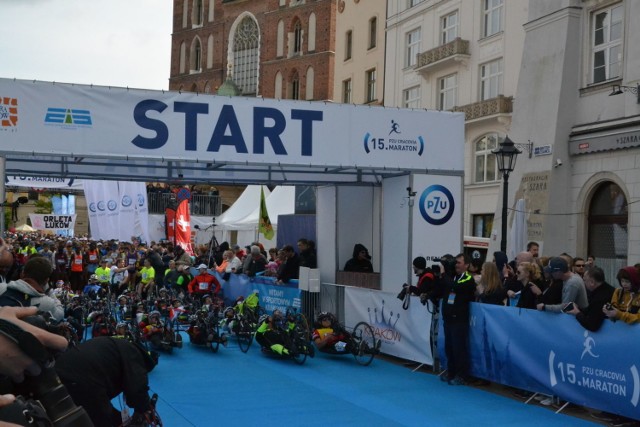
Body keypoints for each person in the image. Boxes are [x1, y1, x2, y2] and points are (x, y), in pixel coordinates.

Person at [54, 336, 158, 427]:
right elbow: (137, 390)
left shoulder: (118, 346)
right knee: (102, 420)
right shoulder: (135, 356)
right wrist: (145, 408)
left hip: (59, 373)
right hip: (83, 379)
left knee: (104, 415)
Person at [433, 253, 476, 385]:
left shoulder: (468, 279)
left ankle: (462, 375)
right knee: (449, 348)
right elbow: (441, 288)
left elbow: (454, 287)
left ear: (466, 265)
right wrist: (440, 276)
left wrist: (444, 274)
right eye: (455, 262)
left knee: (459, 349)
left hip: (459, 319)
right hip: (448, 318)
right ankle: (451, 372)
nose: (456, 265)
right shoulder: (453, 277)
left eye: (458, 262)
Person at [0, 257, 64, 321]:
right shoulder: (47, 303)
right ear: (46, 281)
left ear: (22, 274)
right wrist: (50, 292)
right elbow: (60, 314)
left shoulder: (1, 287)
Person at [565, 266, 614, 332]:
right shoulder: (607, 289)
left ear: (592, 282)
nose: (583, 283)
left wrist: (577, 313)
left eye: (584, 280)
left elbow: (591, 325)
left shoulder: (600, 298)